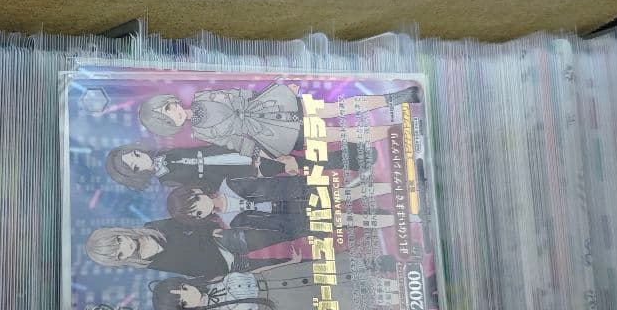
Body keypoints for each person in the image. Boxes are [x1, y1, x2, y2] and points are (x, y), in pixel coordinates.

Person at [138, 81, 419, 158]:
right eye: (167, 118)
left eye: (168, 107)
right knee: (340, 136)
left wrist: (280, 91)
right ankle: (400, 131)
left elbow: (240, 93)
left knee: (335, 108)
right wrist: (273, 156)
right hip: (270, 134)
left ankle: (395, 98)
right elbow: (238, 143)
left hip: (271, 104)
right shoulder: (201, 132)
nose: (174, 112)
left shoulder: (202, 95)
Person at [149, 260, 366, 310]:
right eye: (184, 301)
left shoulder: (214, 280)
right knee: (326, 295)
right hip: (279, 299)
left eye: (183, 288)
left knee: (324, 271)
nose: (189, 293)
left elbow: (253, 273)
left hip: (276, 276)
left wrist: (288, 263)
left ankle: (367, 268)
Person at [105, 144, 376, 192]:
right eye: (135, 164)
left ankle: (352, 157)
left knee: (294, 156)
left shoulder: (167, 150)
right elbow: (208, 184)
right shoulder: (167, 182)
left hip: (234, 153)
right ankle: (351, 161)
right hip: (239, 171)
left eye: (135, 154)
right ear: (136, 174)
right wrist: (249, 172)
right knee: (298, 166)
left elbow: (205, 147)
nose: (141, 158)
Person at [166, 179, 395, 235]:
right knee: (348, 219)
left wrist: (298, 185)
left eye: (196, 203)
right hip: (291, 217)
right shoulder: (230, 222)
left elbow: (269, 182)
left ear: (196, 192)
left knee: (346, 194)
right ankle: (402, 219)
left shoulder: (229, 183)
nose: (202, 209)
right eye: (197, 214)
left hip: (294, 193)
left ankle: (396, 187)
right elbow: (268, 226)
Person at [85, 220, 304, 278]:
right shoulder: (149, 264)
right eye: (120, 253)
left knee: (280, 234)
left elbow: (184, 223)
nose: (127, 246)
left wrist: (209, 230)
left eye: (119, 240)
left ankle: (310, 228)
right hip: (225, 265)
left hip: (221, 240)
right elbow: (191, 267)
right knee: (284, 267)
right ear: (121, 260)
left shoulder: (152, 227)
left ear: (120, 232)